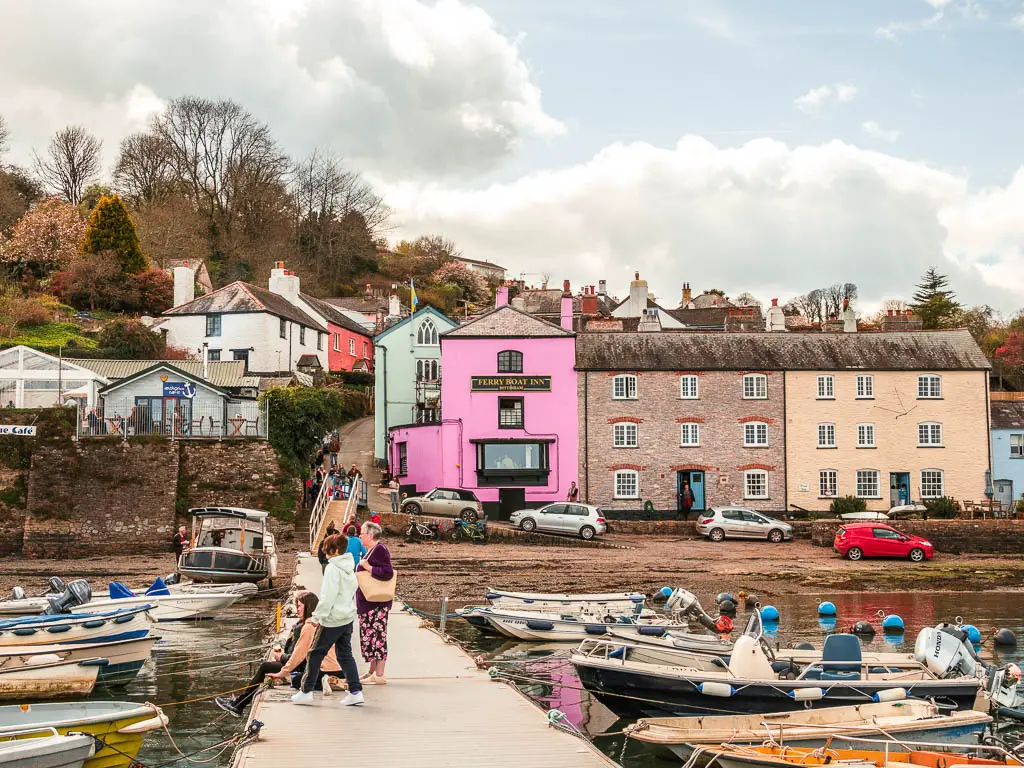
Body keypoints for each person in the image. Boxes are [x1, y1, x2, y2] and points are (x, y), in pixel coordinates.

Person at [214, 592, 339, 716]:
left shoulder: (308, 626)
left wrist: (282, 669)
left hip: (322, 668)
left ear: (309, 606)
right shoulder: (320, 622)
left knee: (268, 668)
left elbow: (298, 656)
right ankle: (239, 703)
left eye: (300, 605)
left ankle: (239, 704)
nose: (298, 609)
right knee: (288, 675)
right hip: (329, 667)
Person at [292, 533, 363, 706]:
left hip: (332, 619)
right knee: (345, 655)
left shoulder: (333, 568)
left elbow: (328, 597)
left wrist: (316, 617)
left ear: (335, 550)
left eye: (327, 549)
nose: (325, 552)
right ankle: (355, 691)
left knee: (315, 653)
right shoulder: (349, 566)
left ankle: (306, 691)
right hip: (347, 617)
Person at [356, 521, 394, 685]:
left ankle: (379, 674)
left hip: (377, 604)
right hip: (369, 604)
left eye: (362, 533)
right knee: (369, 638)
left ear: (370, 535)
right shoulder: (371, 550)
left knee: (377, 637)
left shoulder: (380, 549)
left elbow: (387, 572)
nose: (360, 536)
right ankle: (372, 671)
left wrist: (367, 567)